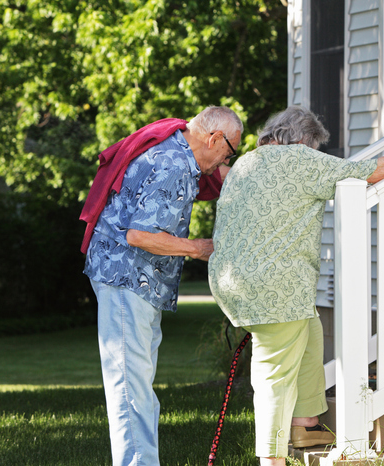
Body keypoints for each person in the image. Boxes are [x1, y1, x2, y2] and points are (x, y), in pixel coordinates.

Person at [207, 106, 384, 466]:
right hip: (276, 289)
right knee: (273, 373)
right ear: (303, 141)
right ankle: (270, 459)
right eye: (314, 147)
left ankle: (306, 424)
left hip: (235, 282)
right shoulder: (300, 160)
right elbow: (364, 173)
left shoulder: (246, 163)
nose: (315, 154)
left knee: (309, 330)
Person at [81, 106, 243, 466]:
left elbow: (224, 178)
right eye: (229, 152)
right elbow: (139, 235)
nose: (224, 162)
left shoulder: (179, 157)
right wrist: (199, 249)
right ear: (214, 138)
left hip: (136, 281)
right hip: (125, 278)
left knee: (137, 386)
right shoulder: (170, 165)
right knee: (130, 389)